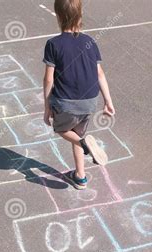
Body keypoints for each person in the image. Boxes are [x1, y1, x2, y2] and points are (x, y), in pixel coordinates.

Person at [43, 0, 115, 190]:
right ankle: (80, 177)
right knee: (76, 132)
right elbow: (100, 73)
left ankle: (84, 144)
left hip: (66, 102)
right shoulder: (90, 42)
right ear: (80, 16)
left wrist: (47, 107)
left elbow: (48, 79)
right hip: (90, 101)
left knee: (61, 130)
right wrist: (108, 101)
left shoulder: (53, 44)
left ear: (58, 17)